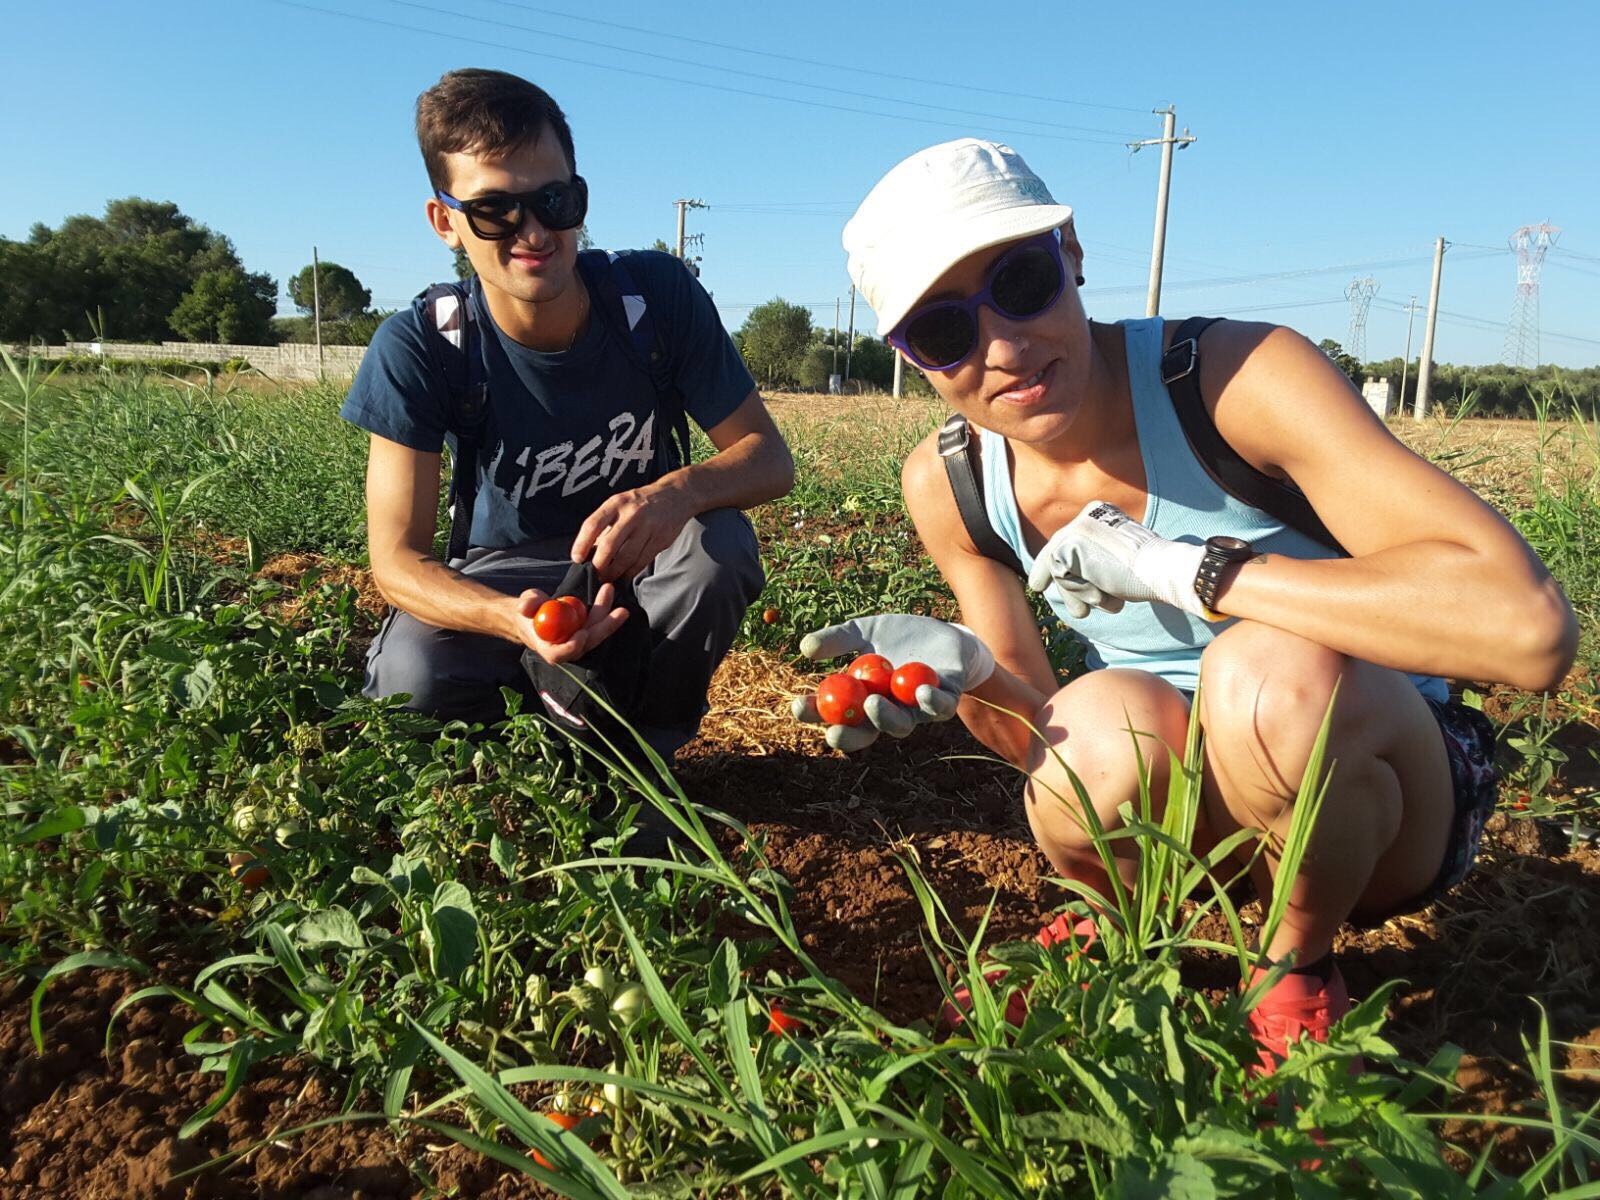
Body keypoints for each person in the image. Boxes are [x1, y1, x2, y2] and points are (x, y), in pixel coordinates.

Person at [797, 138, 1576, 1070]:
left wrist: (1193, 573)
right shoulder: (952, 482)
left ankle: (1295, 964)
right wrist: (971, 677)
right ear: (907, 355)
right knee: (1096, 719)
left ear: (1073, 253)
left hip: (1378, 795)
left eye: (1023, 279)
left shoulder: (1233, 382)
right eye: (945, 333)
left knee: (1265, 669)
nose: (1004, 346)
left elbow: (1530, 632)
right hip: (1199, 808)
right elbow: (1042, 744)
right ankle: (1135, 927)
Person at [341, 68, 793, 779]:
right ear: (445, 222)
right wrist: (509, 619)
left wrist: (675, 493)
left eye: (555, 200)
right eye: (495, 210)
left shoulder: (654, 297)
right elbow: (396, 561)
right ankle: (519, 763)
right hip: (503, 578)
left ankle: (645, 756)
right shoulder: (423, 344)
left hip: (637, 566)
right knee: (409, 678)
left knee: (718, 545)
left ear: (580, 195)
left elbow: (769, 458)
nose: (534, 232)